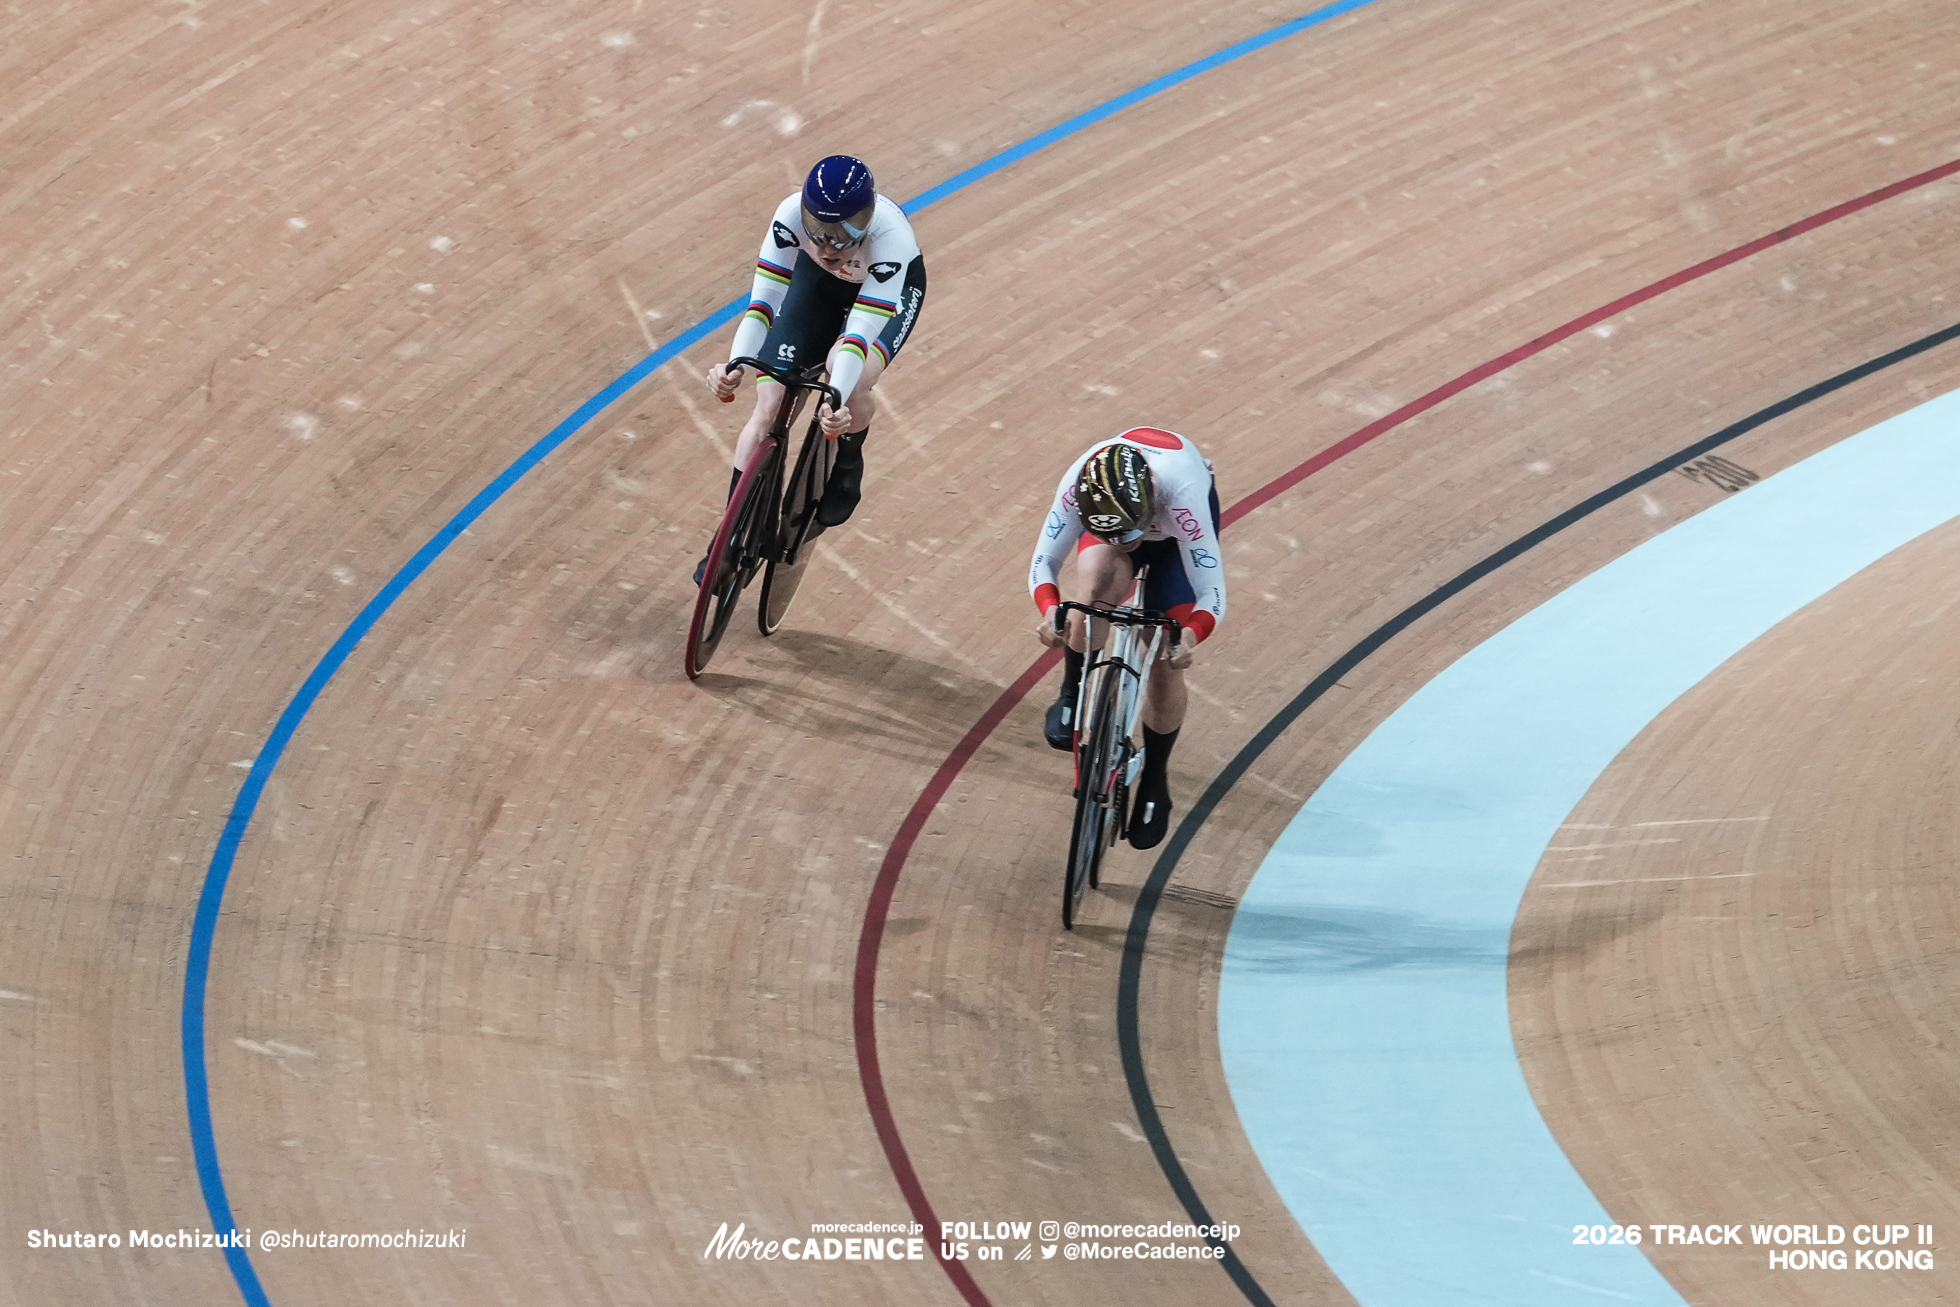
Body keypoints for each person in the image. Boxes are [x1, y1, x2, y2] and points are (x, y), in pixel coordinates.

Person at [696, 155, 926, 582]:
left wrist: (836, 400)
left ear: (867, 220)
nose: (827, 247)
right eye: (819, 232)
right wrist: (733, 366)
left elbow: (859, 335)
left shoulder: (890, 239)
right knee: (771, 401)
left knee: (851, 375)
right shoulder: (788, 218)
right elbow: (763, 304)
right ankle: (728, 536)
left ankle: (847, 462)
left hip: (883, 295)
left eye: (843, 235)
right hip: (816, 288)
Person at [1030, 429, 1226, 850]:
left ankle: (1155, 778)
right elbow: (1044, 562)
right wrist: (1052, 612)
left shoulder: (1181, 494)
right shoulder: (1076, 487)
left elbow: (1212, 593)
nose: (1128, 544)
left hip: (1176, 544)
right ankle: (1071, 691)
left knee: (1162, 651)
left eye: (1132, 532)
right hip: (1118, 517)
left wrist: (1189, 637)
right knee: (1090, 597)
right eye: (1115, 535)